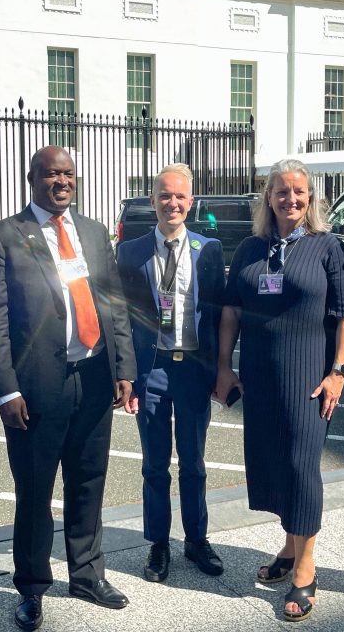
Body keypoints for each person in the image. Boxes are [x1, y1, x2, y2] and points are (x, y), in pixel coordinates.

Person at [0, 146, 136, 631]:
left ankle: (87, 574)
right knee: (35, 490)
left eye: (67, 174)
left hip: (93, 378)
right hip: (36, 388)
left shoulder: (91, 232)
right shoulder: (4, 236)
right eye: (50, 175)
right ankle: (32, 587)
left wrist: (123, 366)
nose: (60, 182)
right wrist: (4, 390)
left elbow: (114, 304)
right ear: (32, 178)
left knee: (89, 481)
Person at [215, 159, 344, 622]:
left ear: (310, 198)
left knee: (301, 465)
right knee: (273, 461)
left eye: (299, 192)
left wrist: (339, 371)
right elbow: (232, 310)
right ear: (268, 198)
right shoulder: (253, 248)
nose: (291, 199)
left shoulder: (327, 247)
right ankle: (290, 548)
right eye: (281, 192)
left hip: (310, 376)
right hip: (260, 375)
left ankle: (305, 566)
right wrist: (223, 367)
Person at [115, 163, 225, 583]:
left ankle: (196, 540)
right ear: (152, 201)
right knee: (155, 464)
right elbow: (120, 317)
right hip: (153, 371)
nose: (172, 203)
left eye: (180, 196)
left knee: (194, 462)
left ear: (191, 203)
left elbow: (216, 314)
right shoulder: (131, 251)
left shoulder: (208, 249)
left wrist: (220, 370)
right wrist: (126, 376)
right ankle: (158, 543)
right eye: (165, 195)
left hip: (194, 370)